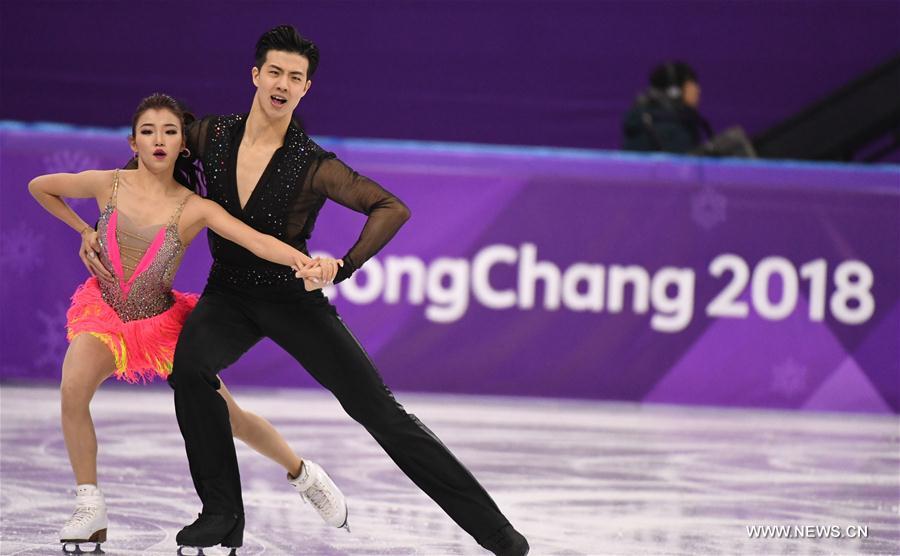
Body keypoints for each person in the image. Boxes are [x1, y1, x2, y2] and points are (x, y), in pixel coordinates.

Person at [82, 25, 529, 555]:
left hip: (292, 300)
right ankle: (222, 513)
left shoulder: (313, 164)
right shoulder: (212, 135)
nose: (283, 83)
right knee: (190, 370)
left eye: (295, 77)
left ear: (305, 88)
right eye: (274, 72)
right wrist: (97, 227)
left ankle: (499, 535)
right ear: (255, 75)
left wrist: (343, 266)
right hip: (228, 295)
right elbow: (149, 160)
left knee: (380, 413)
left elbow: (391, 208)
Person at [31, 93, 346, 554]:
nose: (158, 140)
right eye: (148, 131)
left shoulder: (196, 207)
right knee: (73, 390)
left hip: (162, 326)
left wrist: (306, 263)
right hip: (105, 314)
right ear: (133, 142)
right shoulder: (107, 183)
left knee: (230, 418)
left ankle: (303, 474)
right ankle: (89, 505)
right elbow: (41, 186)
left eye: (169, 131)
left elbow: (257, 241)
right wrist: (83, 229)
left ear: (183, 144)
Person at [622, 60, 712, 153]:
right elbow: (685, 160)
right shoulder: (669, 129)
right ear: (675, 91)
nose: (698, 90)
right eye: (693, 84)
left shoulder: (647, 120)